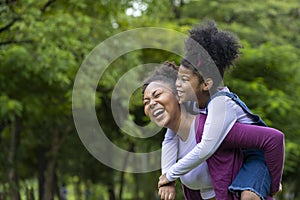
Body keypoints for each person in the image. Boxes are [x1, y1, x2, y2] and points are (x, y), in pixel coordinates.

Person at [157, 20, 284, 200]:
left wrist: (273, 182)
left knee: (248, 197)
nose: (177, 84)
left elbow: (206, 148)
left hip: (255, 159)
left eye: (184, 80)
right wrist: (166, 176)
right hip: (235, 157)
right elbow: (170, 137)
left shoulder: (221, 104)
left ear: (206, 84)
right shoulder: (192, 103)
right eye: (178, 78)